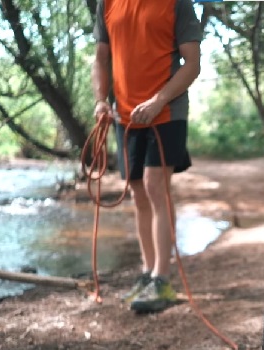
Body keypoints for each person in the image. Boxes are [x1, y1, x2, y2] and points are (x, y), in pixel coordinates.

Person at [91, 0, 202, 313]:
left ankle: (162, 280)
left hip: (166, 111)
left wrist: (158, 100)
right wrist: (100, 100)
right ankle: (148, 272)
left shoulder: (178, 4)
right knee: (138, 192)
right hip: (124, 117)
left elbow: (192, 64)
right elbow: (100, 57)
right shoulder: (107, 4)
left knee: (155, 186)